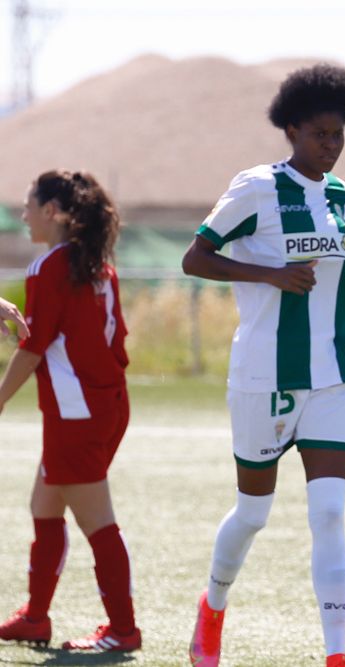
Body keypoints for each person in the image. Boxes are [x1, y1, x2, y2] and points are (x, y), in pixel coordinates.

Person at [182, 64, 345, 667]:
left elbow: (327, 270)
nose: (331, 145)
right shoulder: (256, 188)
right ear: (292, 130)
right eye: (320, 134)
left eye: (338, 134)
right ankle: (213, 608)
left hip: (333, 377)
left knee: (328, 513)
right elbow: (196, 259)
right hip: (264, 378)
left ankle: (337, 654)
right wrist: (267, 274)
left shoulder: (340, 195)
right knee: (253, 514)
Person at [0, 170, 139, 652]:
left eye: (29, 205)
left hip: (76, 413)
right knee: (44, 505)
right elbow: (81, 339)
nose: (23, 214)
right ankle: (35, 618)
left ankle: (123, 630)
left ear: (53, 212)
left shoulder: (50, 265)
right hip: (104, 403)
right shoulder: (97, 262)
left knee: (97, 520)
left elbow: (35, 349)